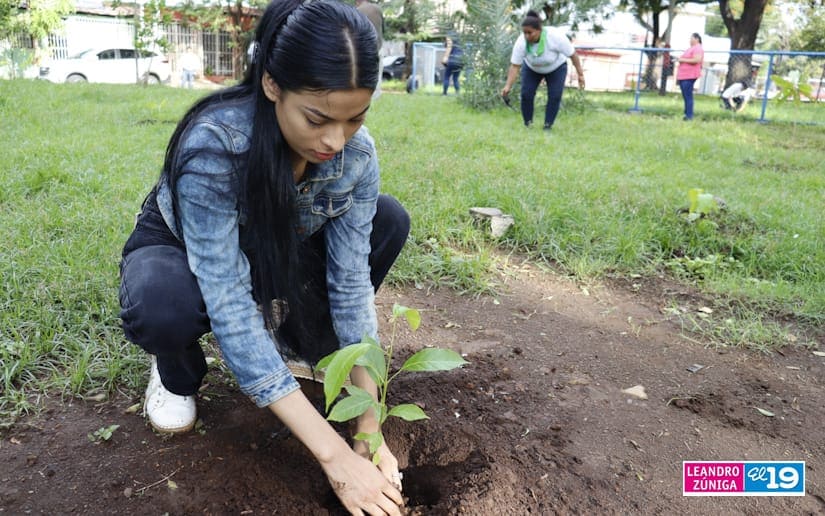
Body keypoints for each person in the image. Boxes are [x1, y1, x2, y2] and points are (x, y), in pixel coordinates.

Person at [118, 1, 409, 514]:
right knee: (163, 305)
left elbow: (350, 287)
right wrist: (336, 459)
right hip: (184, 252)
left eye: (355, 118)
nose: (334, 141)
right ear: (273, 84)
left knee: (388, 219)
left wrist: (369, 424)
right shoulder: (215, 148)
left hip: (279, 245)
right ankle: (174, 372)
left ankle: (297, 347)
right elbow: (227, 297)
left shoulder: (356, 158)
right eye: (317, 118)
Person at [501, 10, 585, 131]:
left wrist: (580, 75)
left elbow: (573, 55)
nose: (527, 36)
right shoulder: (521, 42)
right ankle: (528, 124)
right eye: (524, 33)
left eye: (530, 33)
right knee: (526, 94)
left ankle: (548, 126)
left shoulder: (555, 36)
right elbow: (515, 66)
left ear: (539, 30)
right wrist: (508, 86)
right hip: (532, 68)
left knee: (555, 96)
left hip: (556, 67)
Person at [355, 0, 384, 98]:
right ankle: (376, 94)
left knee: (362, 73)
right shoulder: (377, 9)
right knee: (377, 73)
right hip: (378, 46)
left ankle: (362, 94)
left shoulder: (356, 11)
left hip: (364, 48)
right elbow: (383, 27)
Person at [675, 33, 704, 121]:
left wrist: (682, 60)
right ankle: (686, 114)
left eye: (691, 38)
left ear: (697, 39)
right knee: (685, 95)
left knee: (688, 96)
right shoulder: (691, 48)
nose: (690, 40)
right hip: (684, 75)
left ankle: (689, 116)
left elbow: (697, 60)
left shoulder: (698, 48)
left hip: (690, 75)